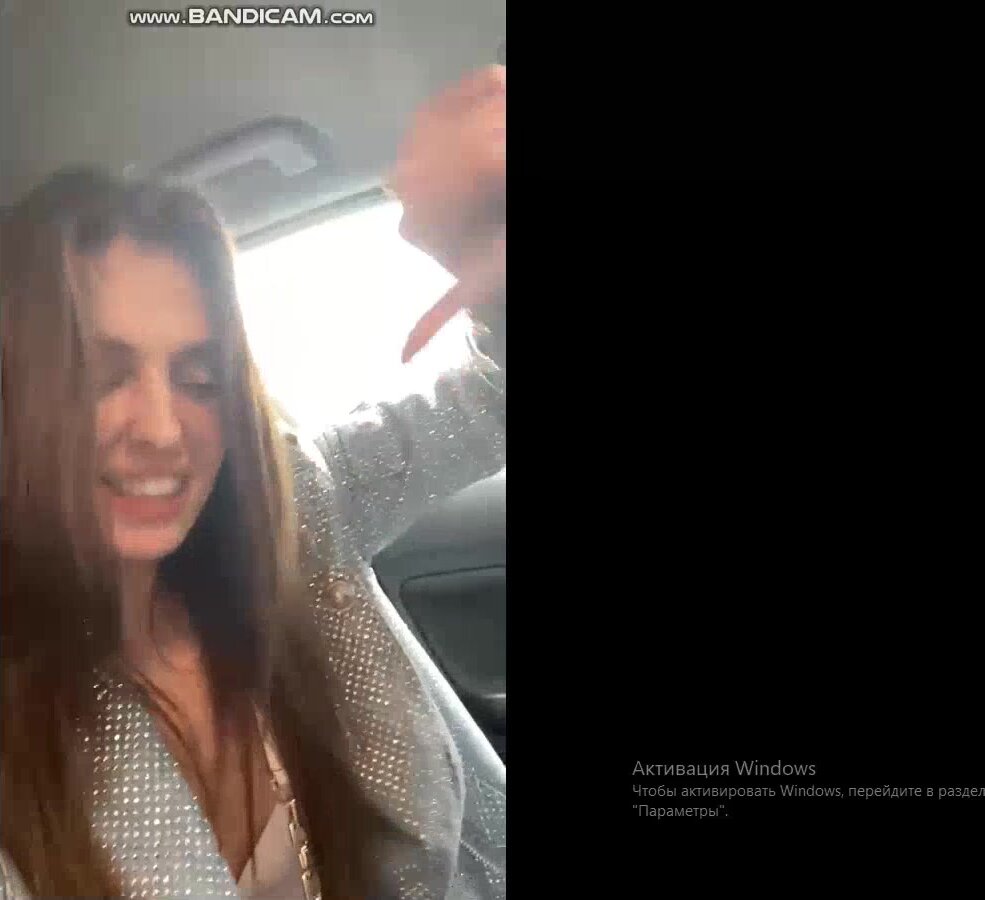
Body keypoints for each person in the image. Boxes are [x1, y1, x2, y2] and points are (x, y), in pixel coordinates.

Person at [0, 66, 506, 900]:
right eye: (98, 375)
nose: (163, 429)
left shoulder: (292, 507)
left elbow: (491, 400)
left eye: (200, 379)